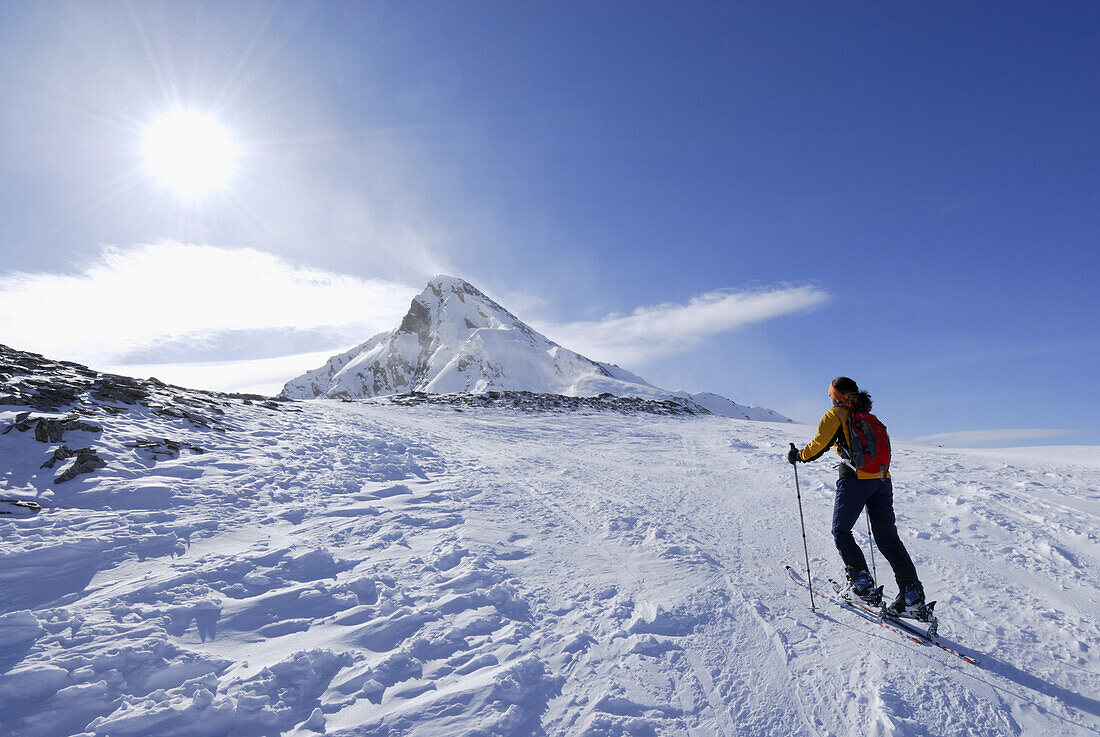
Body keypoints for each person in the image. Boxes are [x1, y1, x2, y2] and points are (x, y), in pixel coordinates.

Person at [787, 376, 930, 619]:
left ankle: (861, 585)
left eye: (830, 393)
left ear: (837, 395)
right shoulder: (871, 419)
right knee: (887, 537)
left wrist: (797, 455)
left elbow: (818, 446)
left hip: (855, 480)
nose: (829, 397)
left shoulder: (836, 414)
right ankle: (912, 596)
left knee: (841, 531)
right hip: (883, 480)